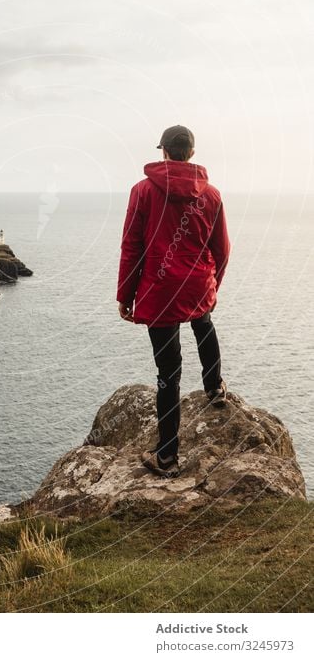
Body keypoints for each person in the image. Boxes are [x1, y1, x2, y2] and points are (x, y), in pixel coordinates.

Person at [116, 125, 230, 479]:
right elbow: (221, 249)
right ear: (191, 153)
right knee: (203, 323)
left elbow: (132, 246)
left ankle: (167, 458)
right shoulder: (210, 194)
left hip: (160, 289)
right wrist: (212, 286)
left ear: (163, 150)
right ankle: (215, 388)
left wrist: (125, 295)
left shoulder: (143, 192)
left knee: (169, 372)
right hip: (197, 285)